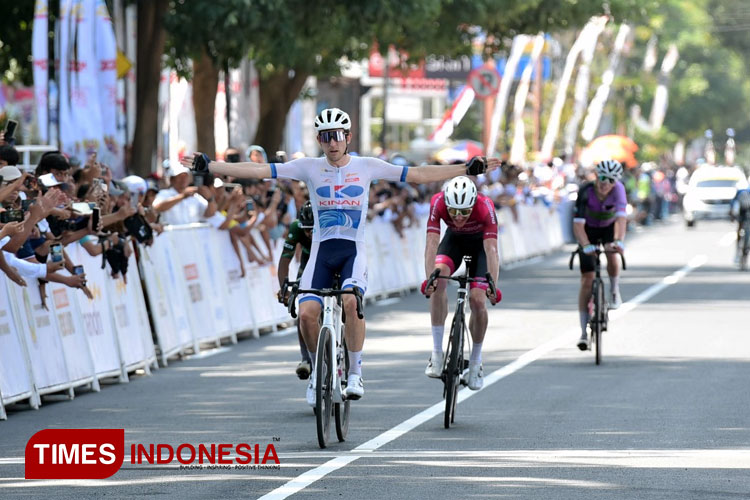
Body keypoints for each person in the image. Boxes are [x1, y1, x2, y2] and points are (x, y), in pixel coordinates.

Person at [181, 107, 499, 405]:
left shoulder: (366, 166)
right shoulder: (308, 167)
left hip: (352, 251)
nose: (332, 142)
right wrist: (211, 166)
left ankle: (356, 374)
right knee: (306, 314)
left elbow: (416, 174)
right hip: (321, 251)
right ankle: (318, 373)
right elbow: (259, 169)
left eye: (337, 135)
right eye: (325, 136)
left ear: (348, 137)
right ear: (319, 140)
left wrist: (466, 168)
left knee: (350, 300)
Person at [420, 176, 501, 390]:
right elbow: (431, 242)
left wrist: (493, 285)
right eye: (453, 211)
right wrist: (430, 278)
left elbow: (491, 250)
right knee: (438, 281)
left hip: (479, 247)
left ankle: (475, 362)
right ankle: (437, 354)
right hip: (453, 242)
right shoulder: (438, 202)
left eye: (464, 212)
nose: (457, 217)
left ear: (472, 204)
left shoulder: (485, 207)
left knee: (477, 300)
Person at [573, 159, 627, 351]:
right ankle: (583, 333)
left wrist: (619, 240)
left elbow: (621, 219)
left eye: (611, 180)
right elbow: (578, 224)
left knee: (612, 253)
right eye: (602, 178)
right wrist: (586, 245)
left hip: (607, 229)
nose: (606, 183)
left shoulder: (618, 190)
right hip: (587, 230)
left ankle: (614, 290)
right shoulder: (586, 191)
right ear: (596, 176)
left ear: (616, 181)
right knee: (587, 280)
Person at [277, 200, 314, 380]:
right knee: (303, 313)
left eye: (313, 229)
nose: (309, 233)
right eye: (306, 229)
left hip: (332, 266)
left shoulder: (330, 226)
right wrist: (284, 288)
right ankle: (306, 358)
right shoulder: (296, 228)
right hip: (307, 266)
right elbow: (285, 260)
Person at [729, 183, 750, 264]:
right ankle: (738, 250)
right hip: (743, 213)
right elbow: (734, 204)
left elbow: (733, 205)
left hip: (742, 213)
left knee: (740, 227)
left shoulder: (741, 191)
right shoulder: (742, 191)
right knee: (740, 227)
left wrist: (732, 216)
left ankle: (738, 251)